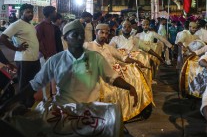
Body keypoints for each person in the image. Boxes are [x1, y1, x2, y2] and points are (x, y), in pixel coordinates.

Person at [0, 20, 138, 113]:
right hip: (63, 109)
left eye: (81, 35)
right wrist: (12, 102)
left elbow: (112, 78)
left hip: (89, 110)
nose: (79, 38)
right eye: (75, 35)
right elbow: (34, 84)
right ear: (65, 38)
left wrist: (130, 87)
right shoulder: (55, 60)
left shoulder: (95, 58)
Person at [0, 4, 40, 107]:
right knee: (24, 83)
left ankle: (29, 102)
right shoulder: (17, 24)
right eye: (28, 12)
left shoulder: (30, 25)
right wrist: (16, 48)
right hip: (24, 59)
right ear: (21, 13)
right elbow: (3, 38)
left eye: (32, 12)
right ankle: (22, 105)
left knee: (33, 82)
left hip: (34, 58)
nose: (30, 14)